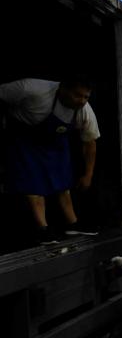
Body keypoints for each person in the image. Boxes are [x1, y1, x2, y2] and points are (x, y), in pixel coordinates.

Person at [0, 76, 100, 244]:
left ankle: (73, 224)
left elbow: (90, 143)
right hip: (24, 137)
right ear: (63, 89)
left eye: (86, 97)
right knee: (33, 184)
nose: (82, 101)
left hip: (54, 140)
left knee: (63, 183)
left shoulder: (84, 110)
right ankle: (42, 229)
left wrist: (88, 174)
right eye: (77, 95)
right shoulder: (31, 89)